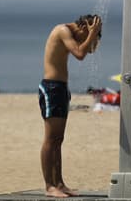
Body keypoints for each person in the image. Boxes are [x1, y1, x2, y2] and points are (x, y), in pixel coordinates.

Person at [39, 14, 102, 198]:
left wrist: (92, 36)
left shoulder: (72, 35)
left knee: (58, 140)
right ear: (83, 28)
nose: (88, 38)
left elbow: (87, 50)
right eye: (88, 33)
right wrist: (92, 34)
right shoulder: (62, 30)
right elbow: (80, 55)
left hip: (60, 88)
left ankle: (59, 183)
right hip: (50, 87)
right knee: (50, 140)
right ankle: (49, 186)